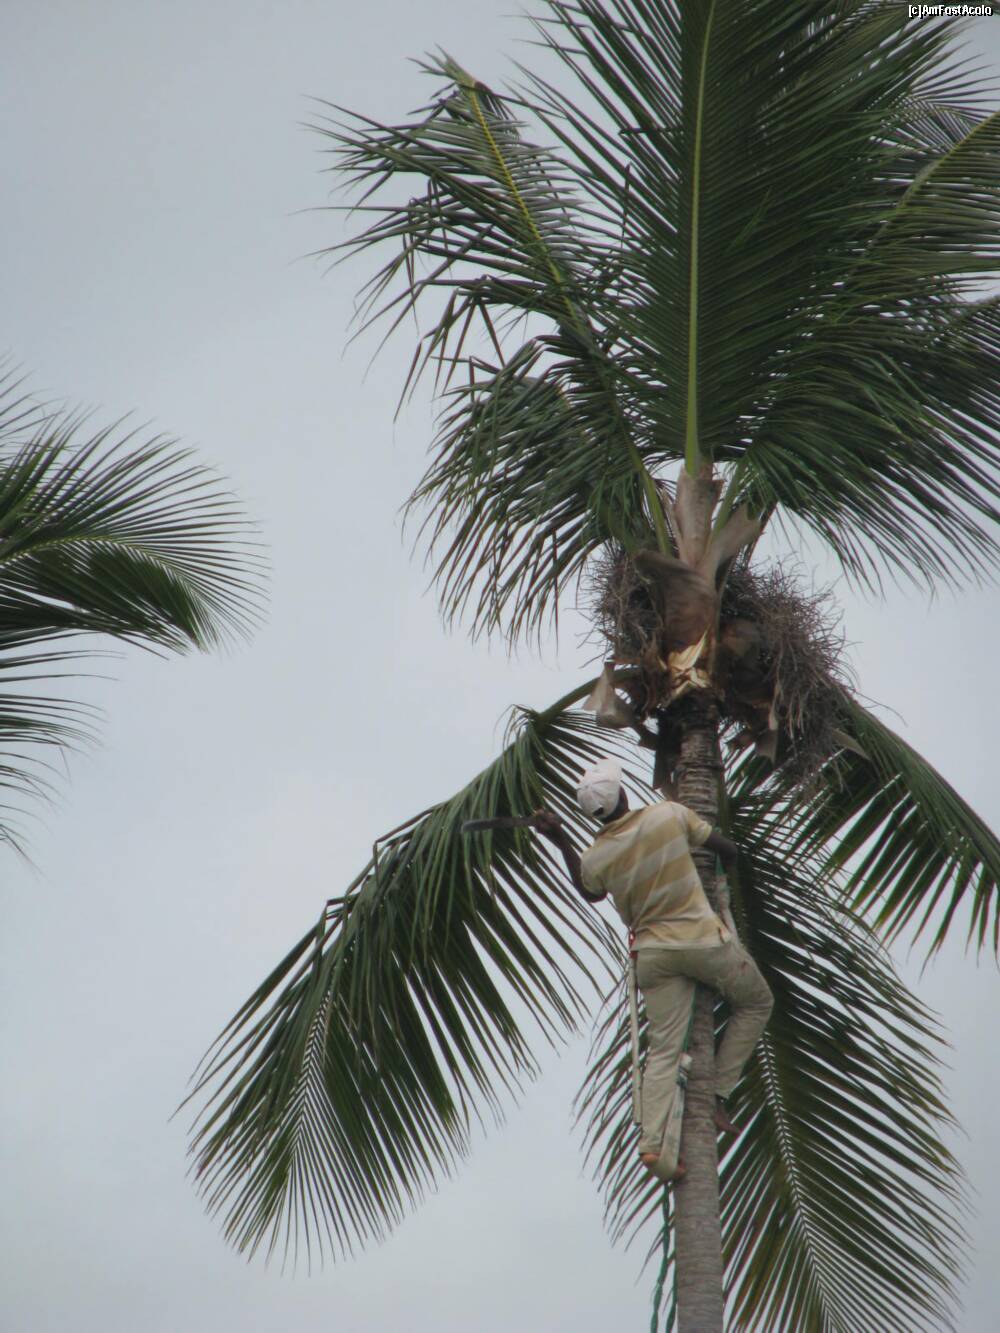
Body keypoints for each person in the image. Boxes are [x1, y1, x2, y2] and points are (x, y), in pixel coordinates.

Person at [533, 758, 773, 1181]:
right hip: (702, 944)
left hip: (653, 957)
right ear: (623, 795)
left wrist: (560, 839)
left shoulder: (597, 856)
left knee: (663, 1051)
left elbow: (589, 891)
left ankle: (653, 1147)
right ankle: (718, 1094)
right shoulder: (668, 815)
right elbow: (727, 850)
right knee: (757, 1002)